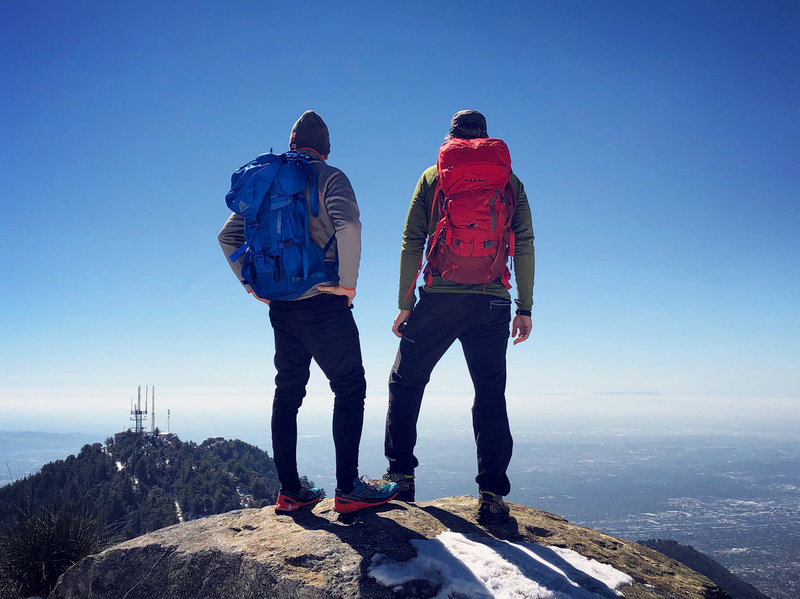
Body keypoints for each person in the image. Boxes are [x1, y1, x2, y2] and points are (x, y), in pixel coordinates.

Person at [219, 110, 397, 514]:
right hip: (323, 301)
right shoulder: (329, 176)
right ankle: (349, 488)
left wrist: (252, 286)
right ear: (326, 148)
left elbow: (227, 235)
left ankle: (290, 491)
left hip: (281, 306)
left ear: (292, 142)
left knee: (288, 391)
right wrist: (347, 285)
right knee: (349, 386)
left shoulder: (266, 178)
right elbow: (349, 225)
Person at [383, 110, 534, 523]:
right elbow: (524, 244)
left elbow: (412, 239)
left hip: (439, 299)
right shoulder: (509, 181)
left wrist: (405, 301)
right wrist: (524, 306)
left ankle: (401, 476)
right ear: (486, 139)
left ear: (451, 139)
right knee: (489, 393)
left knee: (406, 380)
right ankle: (491, 493)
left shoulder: (434, 176)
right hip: (491, 302)